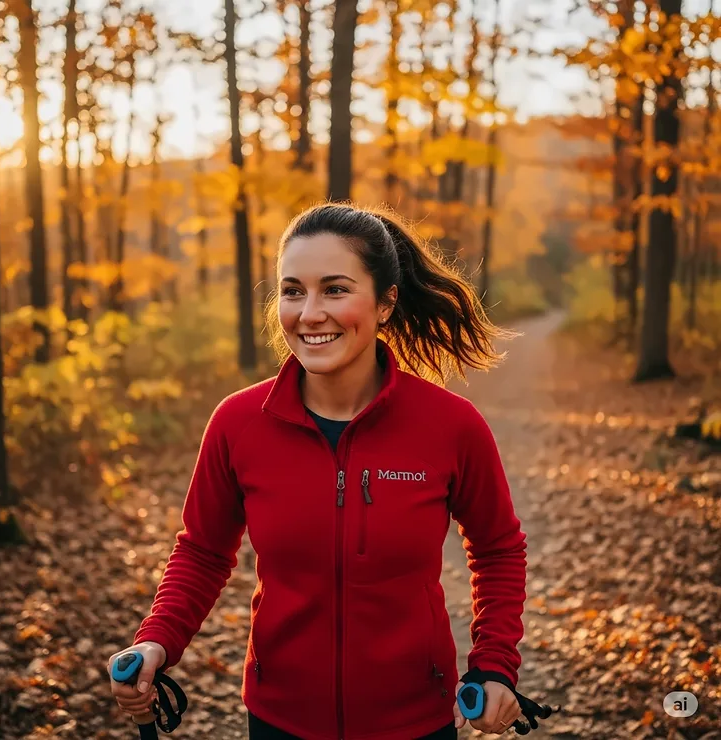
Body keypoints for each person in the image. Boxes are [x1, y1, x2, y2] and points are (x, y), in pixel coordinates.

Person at [108, 203, 528, 739]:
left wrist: (494, 663)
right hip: (279, 719)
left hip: (415, 721)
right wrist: (156, 641)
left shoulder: (451, 425)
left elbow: (498, 548)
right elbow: (202, 551)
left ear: (385, 303)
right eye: (292, 290)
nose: (309, 312)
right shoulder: (238, 423)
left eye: (335, 289)